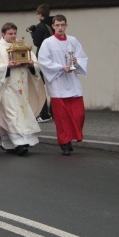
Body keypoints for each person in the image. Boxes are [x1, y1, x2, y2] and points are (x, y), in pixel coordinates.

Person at [0, 23, 46, 155]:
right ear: (3, 34)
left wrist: (31, 65)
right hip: (6, 87)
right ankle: (20, 143)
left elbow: (36, 65)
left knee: (22, 114)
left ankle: (9, 143)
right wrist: (7, 66)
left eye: (15, 33)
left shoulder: (22, 46)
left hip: (22, 86)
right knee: (11, 114)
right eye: (10, 34)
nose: (13, 36)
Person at [38, 14, 88, 156]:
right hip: (58, 83)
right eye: (57, 25)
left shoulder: (73, 41)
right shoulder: (48, 43)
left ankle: (71, 137)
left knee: (79, 114)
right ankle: (64, 143)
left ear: (66, 25)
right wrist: (61, 67)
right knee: (62, 117)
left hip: (72, 82)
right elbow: (43, 62)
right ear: (53, 26)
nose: (60, 28)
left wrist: (76, 61)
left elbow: (82, 57)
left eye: (62, 25)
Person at [29, 4, 54, 123]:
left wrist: (32, 32)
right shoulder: (54, 23)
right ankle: (55, 112)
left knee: (41, 86)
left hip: (43, 57)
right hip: (54, 57)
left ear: (40, 15)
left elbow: (37, 42)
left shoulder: (41, 25)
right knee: (54, 85)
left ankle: (44, 114)